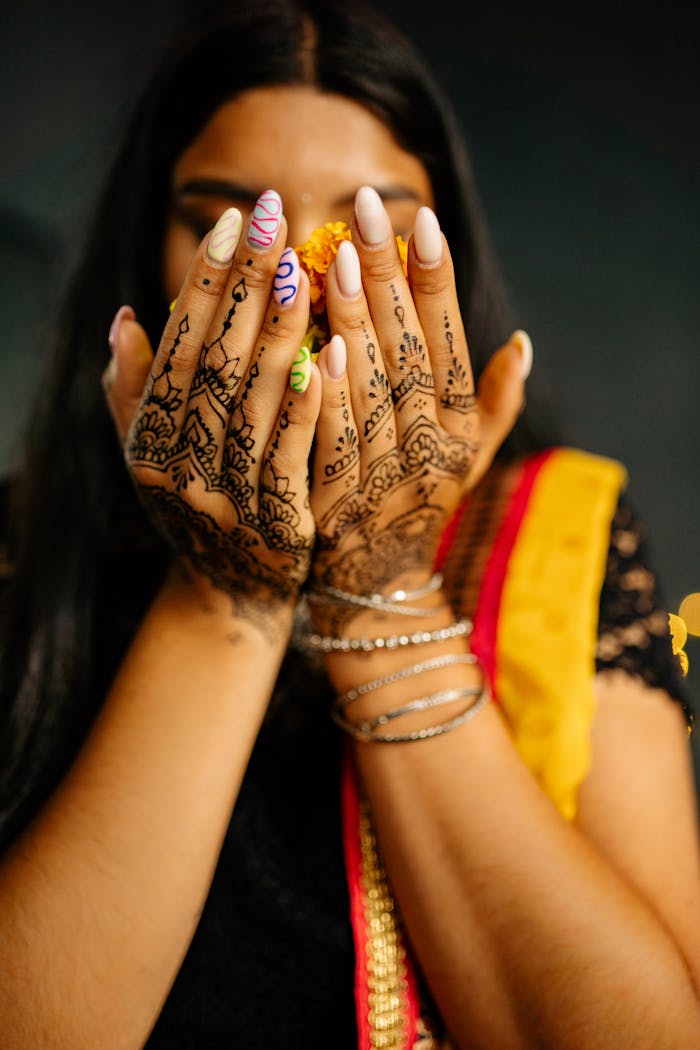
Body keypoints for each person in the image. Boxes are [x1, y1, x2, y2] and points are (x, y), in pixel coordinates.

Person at [0, 0, 698, 1046]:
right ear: (145, 253)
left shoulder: (556, 535)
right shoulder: (21, 541)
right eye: (229, 224)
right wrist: (227, 587)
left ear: (438, 267)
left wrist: (376, 585)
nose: (309, 289)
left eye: (368, 228)